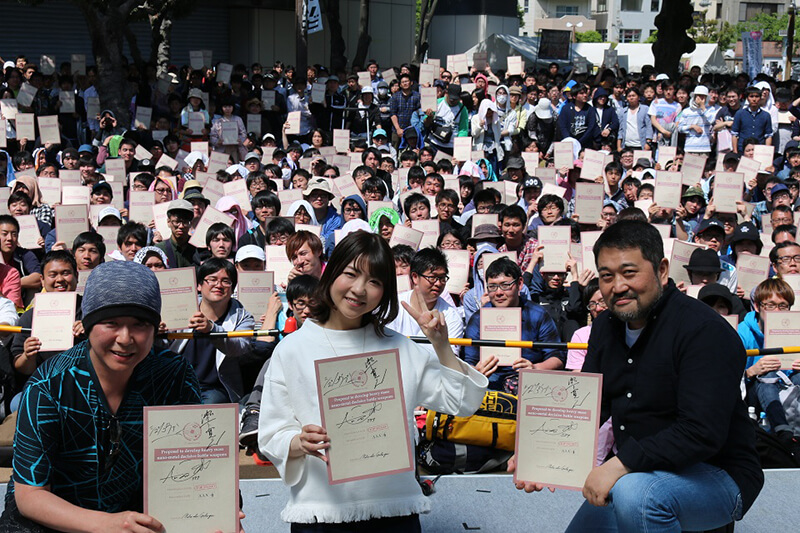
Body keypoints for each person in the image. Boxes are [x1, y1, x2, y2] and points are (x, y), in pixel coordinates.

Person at [513, 219, 764, 532]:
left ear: (661, 270)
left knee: (637, 495)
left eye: (629, 272)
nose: (617, 286)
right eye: (606, 276)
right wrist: (537, 452)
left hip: (717, 473)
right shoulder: (606, 326)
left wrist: (620, 465)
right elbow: (589, 404)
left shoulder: (704, 331)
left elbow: (701, 431)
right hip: (640, 472)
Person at [258, 230, 487, 530]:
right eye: (350, 274)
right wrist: (298, 441)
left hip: (394, 508)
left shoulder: (400, 347)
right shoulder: (292, 349)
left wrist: (441, 345)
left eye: (375, 281)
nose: (359, 289)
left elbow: (463, 403)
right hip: (321, 510)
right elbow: (271, 432)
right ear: (331, 273)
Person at [0, 261, 204, 532]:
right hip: (53, 519)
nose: (125, 338)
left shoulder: (174, 375)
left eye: (140, 324)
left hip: (138, 513)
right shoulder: (48, 385)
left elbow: (202, 461)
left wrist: (218, 512)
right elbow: (30, 496)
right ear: (87, 324)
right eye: (111, 322)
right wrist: (108, 524)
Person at [464, 257, 563, 393]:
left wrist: (535, 368)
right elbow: (468, 361)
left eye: (505, 285)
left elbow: (557, 357)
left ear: (520, 284)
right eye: (492, 286)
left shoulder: (537, 314)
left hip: (530, 384)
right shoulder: (478, 318)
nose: (499, 292)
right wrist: (476, 372)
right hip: (489, 383)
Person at [170, 258, 255, 404]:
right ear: (199, 285)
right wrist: (157, 333)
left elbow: (240, 347)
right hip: (176, 382)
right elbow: (165, 346)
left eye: (226, 281)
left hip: (215, 389)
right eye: (212, 279)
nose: (218, 285)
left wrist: (212, 329)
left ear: (233, 288)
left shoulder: (242, 317)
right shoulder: (180, 309)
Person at [387, 247, 464, 356]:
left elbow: (450, 360)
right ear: (414, 277)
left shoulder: (451, 317)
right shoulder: (393, 306)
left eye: (442, 278)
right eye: (432, 277)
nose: (438, 283)